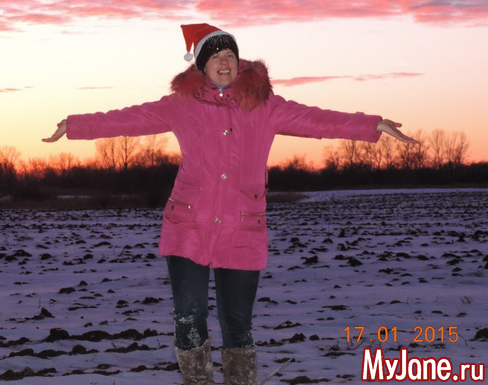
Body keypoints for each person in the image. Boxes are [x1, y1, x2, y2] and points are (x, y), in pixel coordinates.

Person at [42, 23, 416, 385]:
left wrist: (372, 125)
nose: (224, 62)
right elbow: (128, 119)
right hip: (188, 226)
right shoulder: (180, 105)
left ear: (239, 62)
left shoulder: (265, 105)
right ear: (202, 65)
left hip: (242, 228)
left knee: (237, 321)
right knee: (188, 316)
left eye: (230, 55)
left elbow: (317, 120)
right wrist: (74, 125)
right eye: (216, 56)